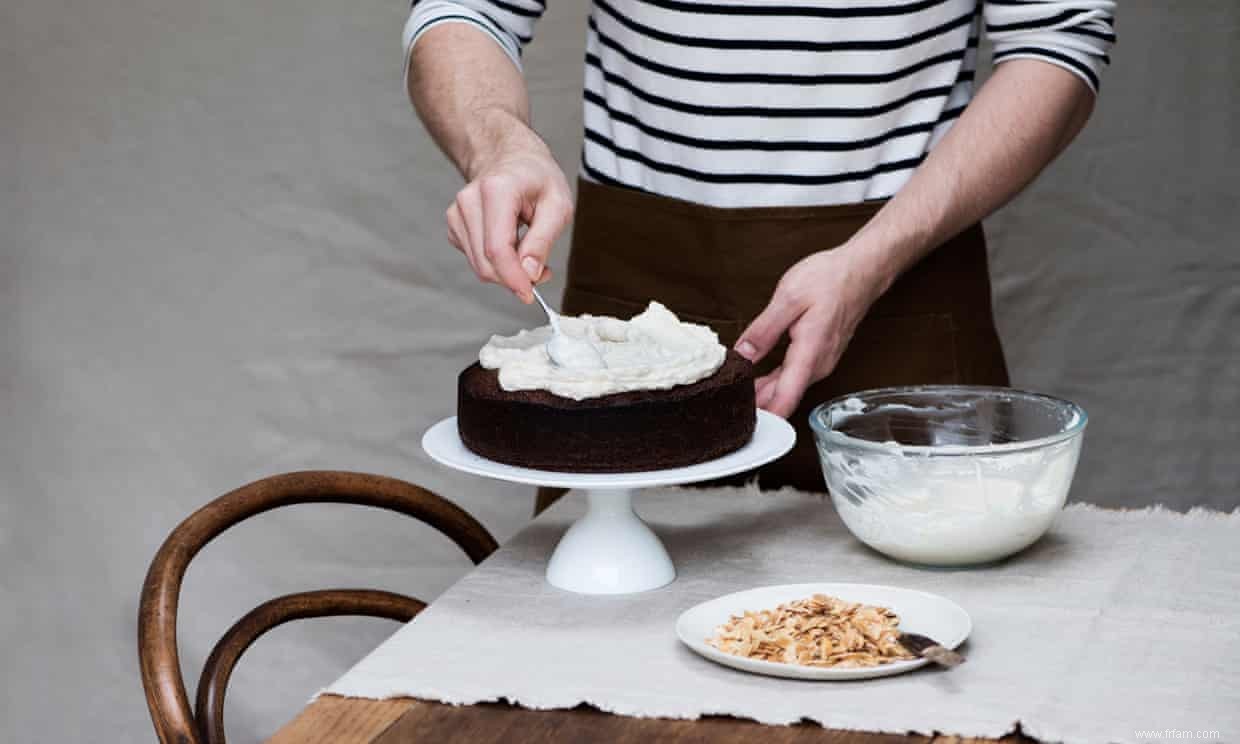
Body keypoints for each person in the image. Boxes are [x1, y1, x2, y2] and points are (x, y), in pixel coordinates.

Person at [402, 0, 1115, 508]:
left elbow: (1058, 39)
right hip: (634, 285)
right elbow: (464, 9)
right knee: (607, 652)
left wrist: (874, 259)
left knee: (907, 651)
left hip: (902, 288)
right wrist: (499, 142)